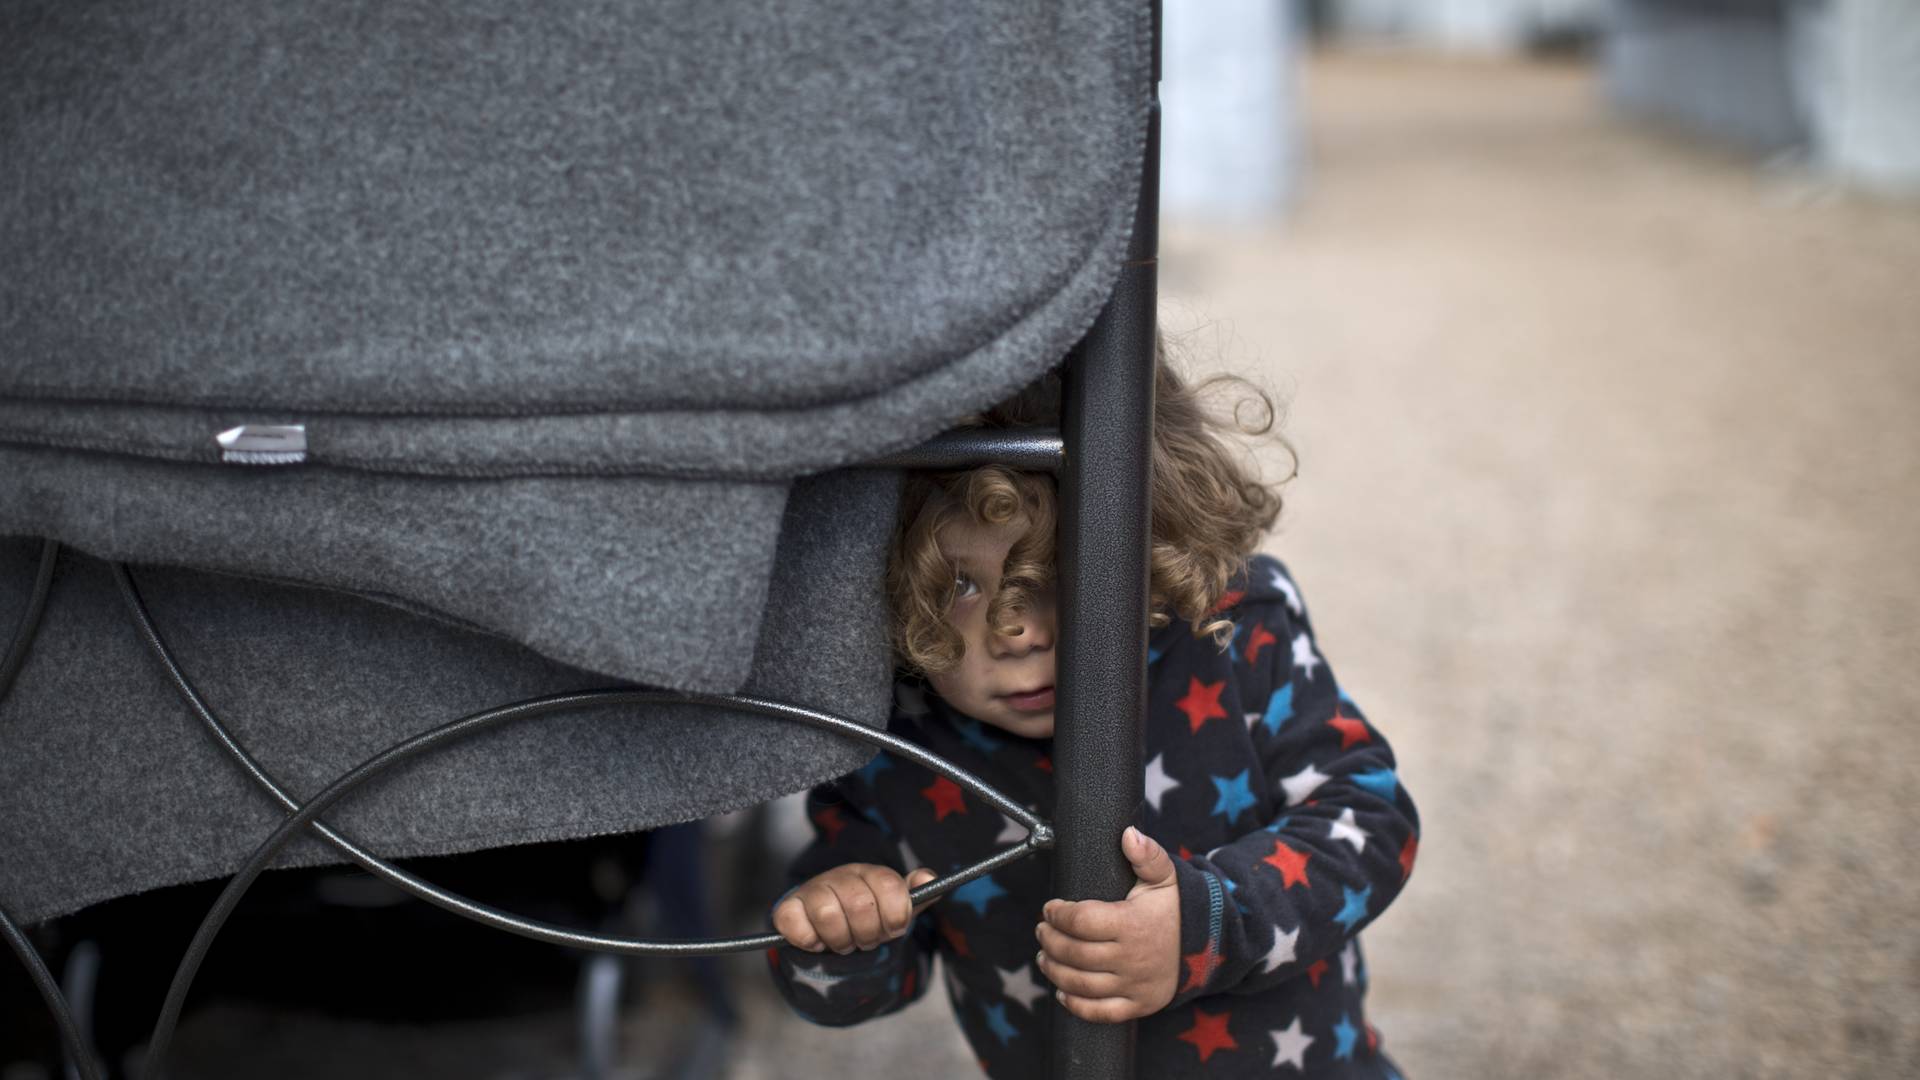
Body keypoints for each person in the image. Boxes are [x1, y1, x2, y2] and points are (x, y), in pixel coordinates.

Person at [767, 354, 1419, 1078]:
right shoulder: (893, 737)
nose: (1020, 632)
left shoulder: (1229, 629)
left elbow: (1373, 820)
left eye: (1054, 569)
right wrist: (841, 933)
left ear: (1151, 533)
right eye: (957, 584)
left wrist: (1204, 928)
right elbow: (849, 992)